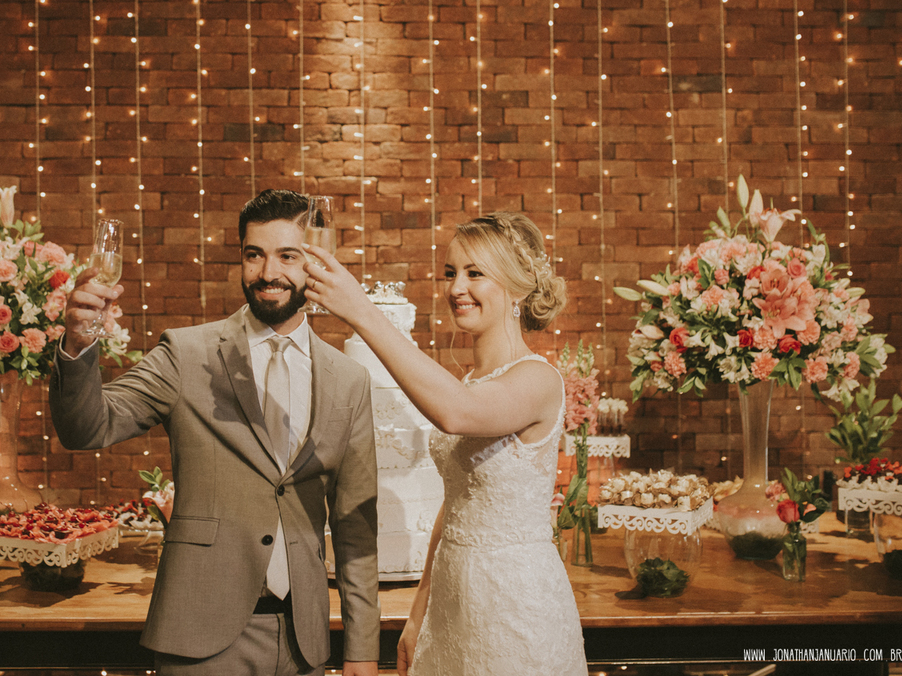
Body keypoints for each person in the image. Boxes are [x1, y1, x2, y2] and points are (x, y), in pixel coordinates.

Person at [50, 189, 380, 676]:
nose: (268, 273)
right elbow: (87, 427)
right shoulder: (186, 353)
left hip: (304, 642)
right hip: (199, 637)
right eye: (254, 255)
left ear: (315, 260)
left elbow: (356, 529)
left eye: (288, 255)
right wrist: (78, 345)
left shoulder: (349, 379)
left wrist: (362, 649)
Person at [301, 211, 588, 676]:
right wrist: (418, 616)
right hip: (454, 605)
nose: (456, 288)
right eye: (451, 273)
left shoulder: (538, 379)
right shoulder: (472, 379)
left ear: (517, 289)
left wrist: (361, 310)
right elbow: (455, 508)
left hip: (515, 604)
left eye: (475, 274)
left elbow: (456, 414)